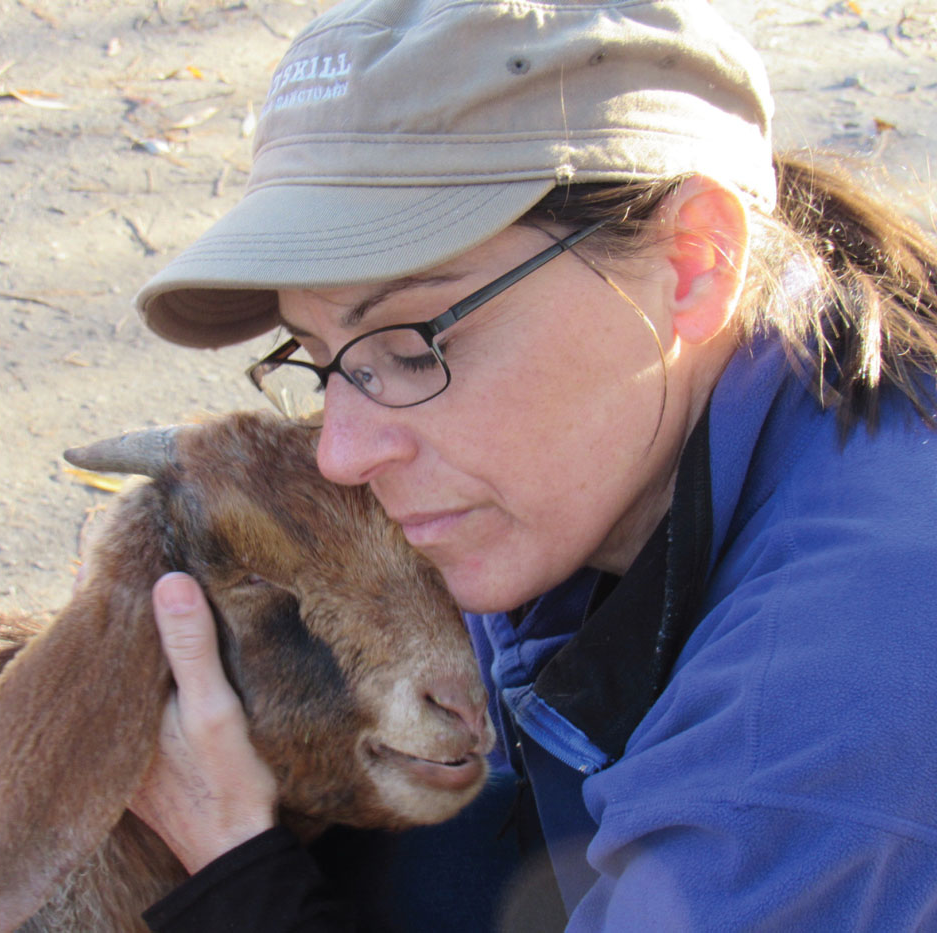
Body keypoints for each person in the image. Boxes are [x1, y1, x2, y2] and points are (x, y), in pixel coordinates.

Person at [121, 0, 937, 928]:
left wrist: (236, 875)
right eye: (315, 360)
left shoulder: (813, 725)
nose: (343, 454)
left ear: (695, 261)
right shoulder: (695, 418)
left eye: (414, 343)